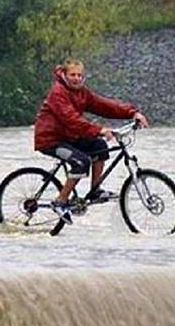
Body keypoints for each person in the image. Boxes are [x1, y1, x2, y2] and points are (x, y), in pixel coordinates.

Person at [34, 59, 149, 221]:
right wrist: (99, 130)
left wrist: (132, 113)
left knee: (100, 146)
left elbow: (104, 105)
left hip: (70, 137)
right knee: (81, 162)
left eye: (80, 75)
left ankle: (95, 190)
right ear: (65, 75)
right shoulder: (58, 93)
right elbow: (71, 119)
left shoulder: (82, 92)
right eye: (72, 75)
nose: (77, 78)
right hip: (51, 140)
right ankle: (60, 201)